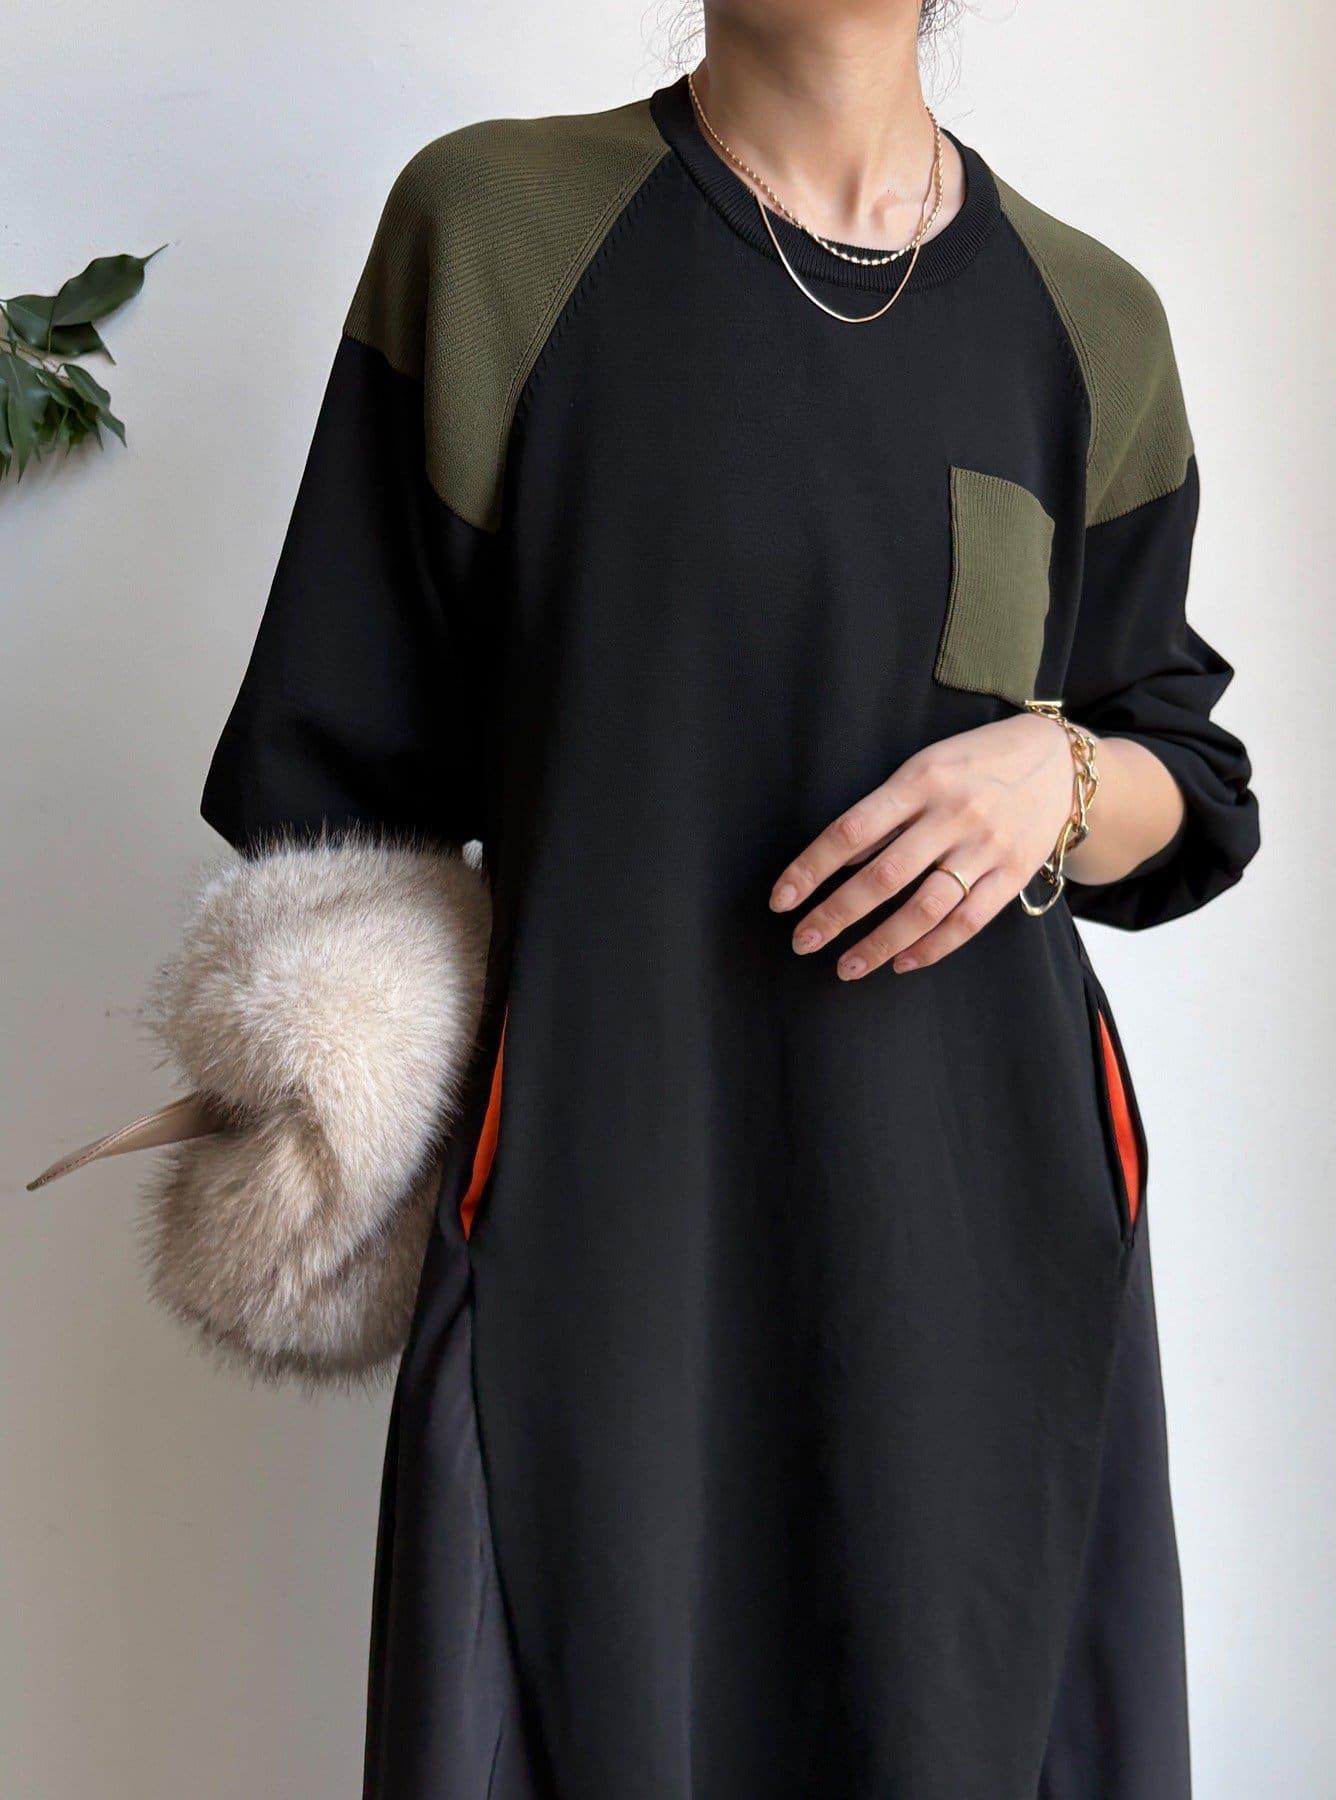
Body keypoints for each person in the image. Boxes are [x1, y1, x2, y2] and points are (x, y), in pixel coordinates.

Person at [201, 1, 1258, 1792]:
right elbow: (333, 782)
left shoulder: (1092, 319)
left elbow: (1193, 781)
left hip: (984, 1238)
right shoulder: (498, 229)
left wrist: (1064, 772)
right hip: (608, 1221)